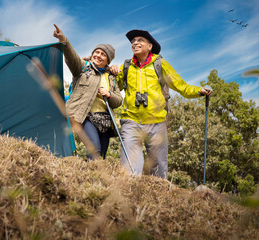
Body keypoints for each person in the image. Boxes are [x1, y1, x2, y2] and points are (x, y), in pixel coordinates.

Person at [113, 29, 212, 178]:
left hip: (156, 123)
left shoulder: (160, 64)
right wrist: (111, 73)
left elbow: (181, 86)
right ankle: (130, 197)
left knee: (159, 170)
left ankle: (157, 199)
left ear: (150, 46)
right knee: (130, 168)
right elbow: (114, 88)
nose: (135, 43)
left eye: (140, 40)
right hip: (131, 121)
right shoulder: (126, 66)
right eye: (133, 41)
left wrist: (199, 90)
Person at [53, 24, 123, 159]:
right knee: (94, 149)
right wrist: (64, 41)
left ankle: (92, 178)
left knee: (101, 155)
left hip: (106, 121)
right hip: (85, 117)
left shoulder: (111, 78)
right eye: (97, 52)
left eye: (103, 54)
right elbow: (71, 57)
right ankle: (84, 177)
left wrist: (109, 95)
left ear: (107, 60)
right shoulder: (83, 69)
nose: (98, 55)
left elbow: (118, 101)